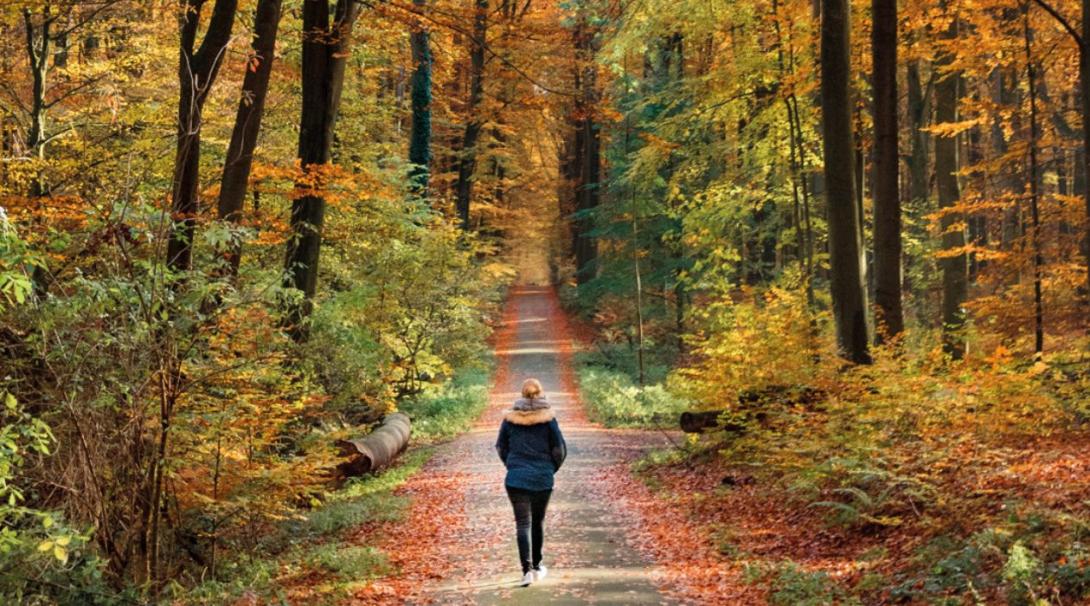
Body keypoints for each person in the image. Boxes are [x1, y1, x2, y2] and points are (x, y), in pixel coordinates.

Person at [495, 378, 567, 587]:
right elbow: (559, 449)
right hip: (542, 478)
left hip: (516, 479)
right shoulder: (549, 420)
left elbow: (501, 447)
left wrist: (512, 466)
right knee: (537, 522)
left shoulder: (510, 419)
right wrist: (550, 469)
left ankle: (526, 571)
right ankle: (537, 566)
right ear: (540, 393)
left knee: (522, 524)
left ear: (522, 394)